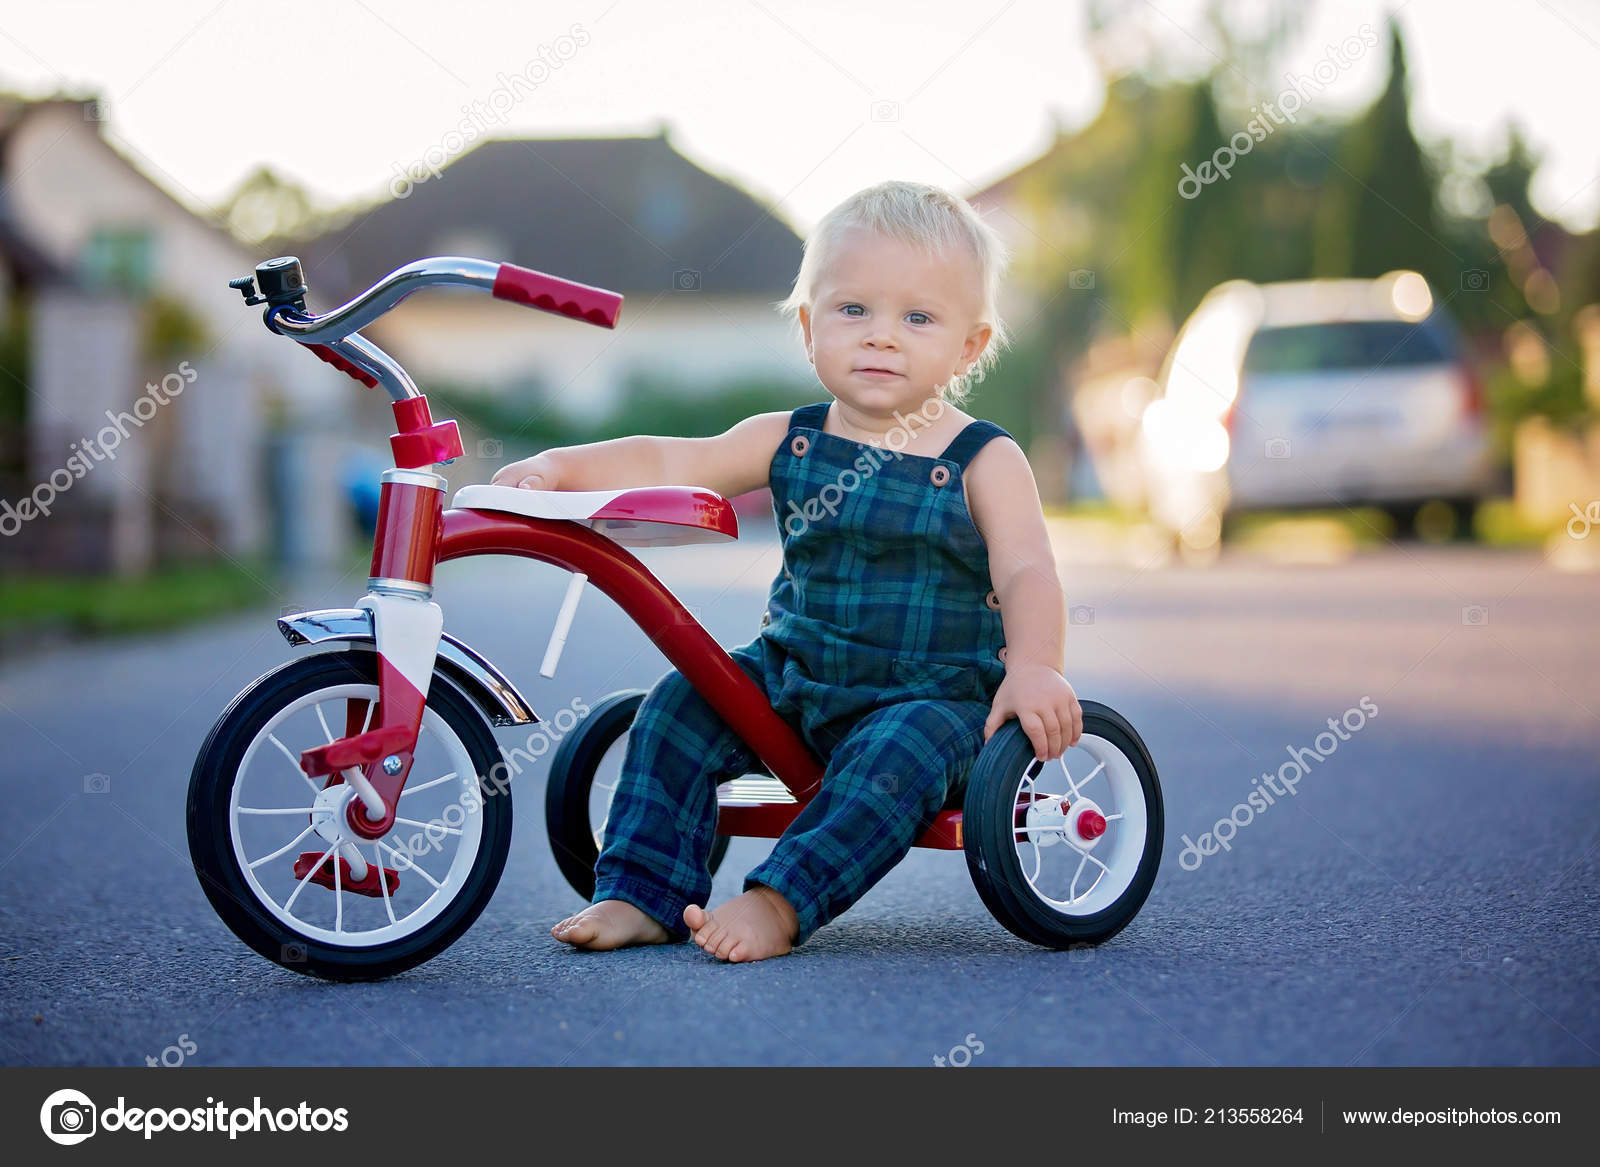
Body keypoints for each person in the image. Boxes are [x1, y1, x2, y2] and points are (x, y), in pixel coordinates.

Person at [492, 179, 1082, 962]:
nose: (881, 337)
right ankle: (640, 890)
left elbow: (1028, 569)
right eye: (853, 310)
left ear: (968, 346)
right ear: (809, 328)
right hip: (794, 675)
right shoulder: (789, 437)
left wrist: (1036, 665)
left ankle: (780, 900)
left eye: (917, 317)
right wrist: (561, 467)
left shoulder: (984, 458)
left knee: (895, 756)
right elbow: (675, 460)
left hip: (933, 698)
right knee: (675, 705)